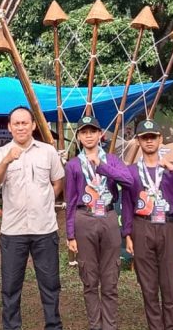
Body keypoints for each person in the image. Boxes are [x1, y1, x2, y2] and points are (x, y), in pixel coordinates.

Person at [113, 119, 173, 330]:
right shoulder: (133, 171)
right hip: (142, 226)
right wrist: (127, 232)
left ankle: (171, 326)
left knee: (169, 282)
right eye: (145, 138)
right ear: (138, 141)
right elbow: (126, 203)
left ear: (161, 139)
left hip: (169, 227)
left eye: (153, 137)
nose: (149, 141)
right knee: (148, 284)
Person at [0, 106, 66, 330]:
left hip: (45, 229)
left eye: (25, 123)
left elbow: (58, 179)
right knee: (11, 287)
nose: (21, 127)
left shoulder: (47, 151)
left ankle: (53, 325)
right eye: (16, 123)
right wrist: (7, 161)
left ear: (33, 125)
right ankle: (12, 327)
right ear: (9, 127)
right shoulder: (2, 152)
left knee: (50, 284)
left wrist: (48, 199)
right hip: (13, 232)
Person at [64, 115, 129, 330]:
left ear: (100, 134)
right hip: (84, 218)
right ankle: (95, 325)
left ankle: (109, 325)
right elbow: (71, 200)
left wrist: (101, 165)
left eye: (93, 131)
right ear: (79, 137)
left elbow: (128, 180)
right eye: (84, 132)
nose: (89, 135)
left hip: (108, 218)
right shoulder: (73, 165)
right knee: (89, 278)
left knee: (110, 278)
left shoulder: (112, 160)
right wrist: (70, 233)